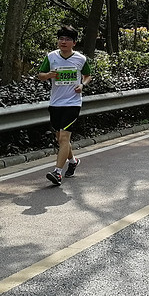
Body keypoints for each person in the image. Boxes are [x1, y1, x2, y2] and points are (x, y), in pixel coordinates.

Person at [37, 24, 92, 186]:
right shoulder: (51, 57)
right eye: (61, 39)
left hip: (73, 103)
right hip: (55, 103)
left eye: (68, 39)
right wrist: (48, 75)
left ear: (74, 43)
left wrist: (82, 85)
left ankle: (57, 173)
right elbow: (40, 75)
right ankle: (73, 161)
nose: (64, 42)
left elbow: (88, 75)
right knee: (60, 139)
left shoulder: (80, 59)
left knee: (64, 138)